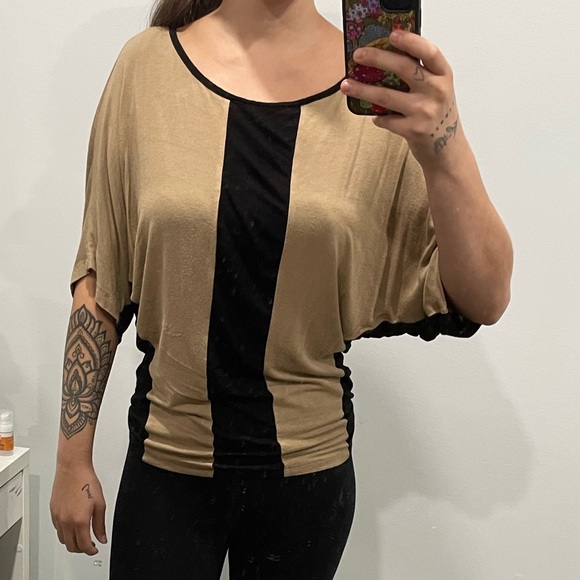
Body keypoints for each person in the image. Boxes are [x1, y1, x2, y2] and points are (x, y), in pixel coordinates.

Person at [49, 0, 513, 578]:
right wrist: (71, 459)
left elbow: (485, 297)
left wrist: (445, 144)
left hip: (308, 479)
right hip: (167, 459)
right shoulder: (146, 68)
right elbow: (102, 275)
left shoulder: (374, 84)